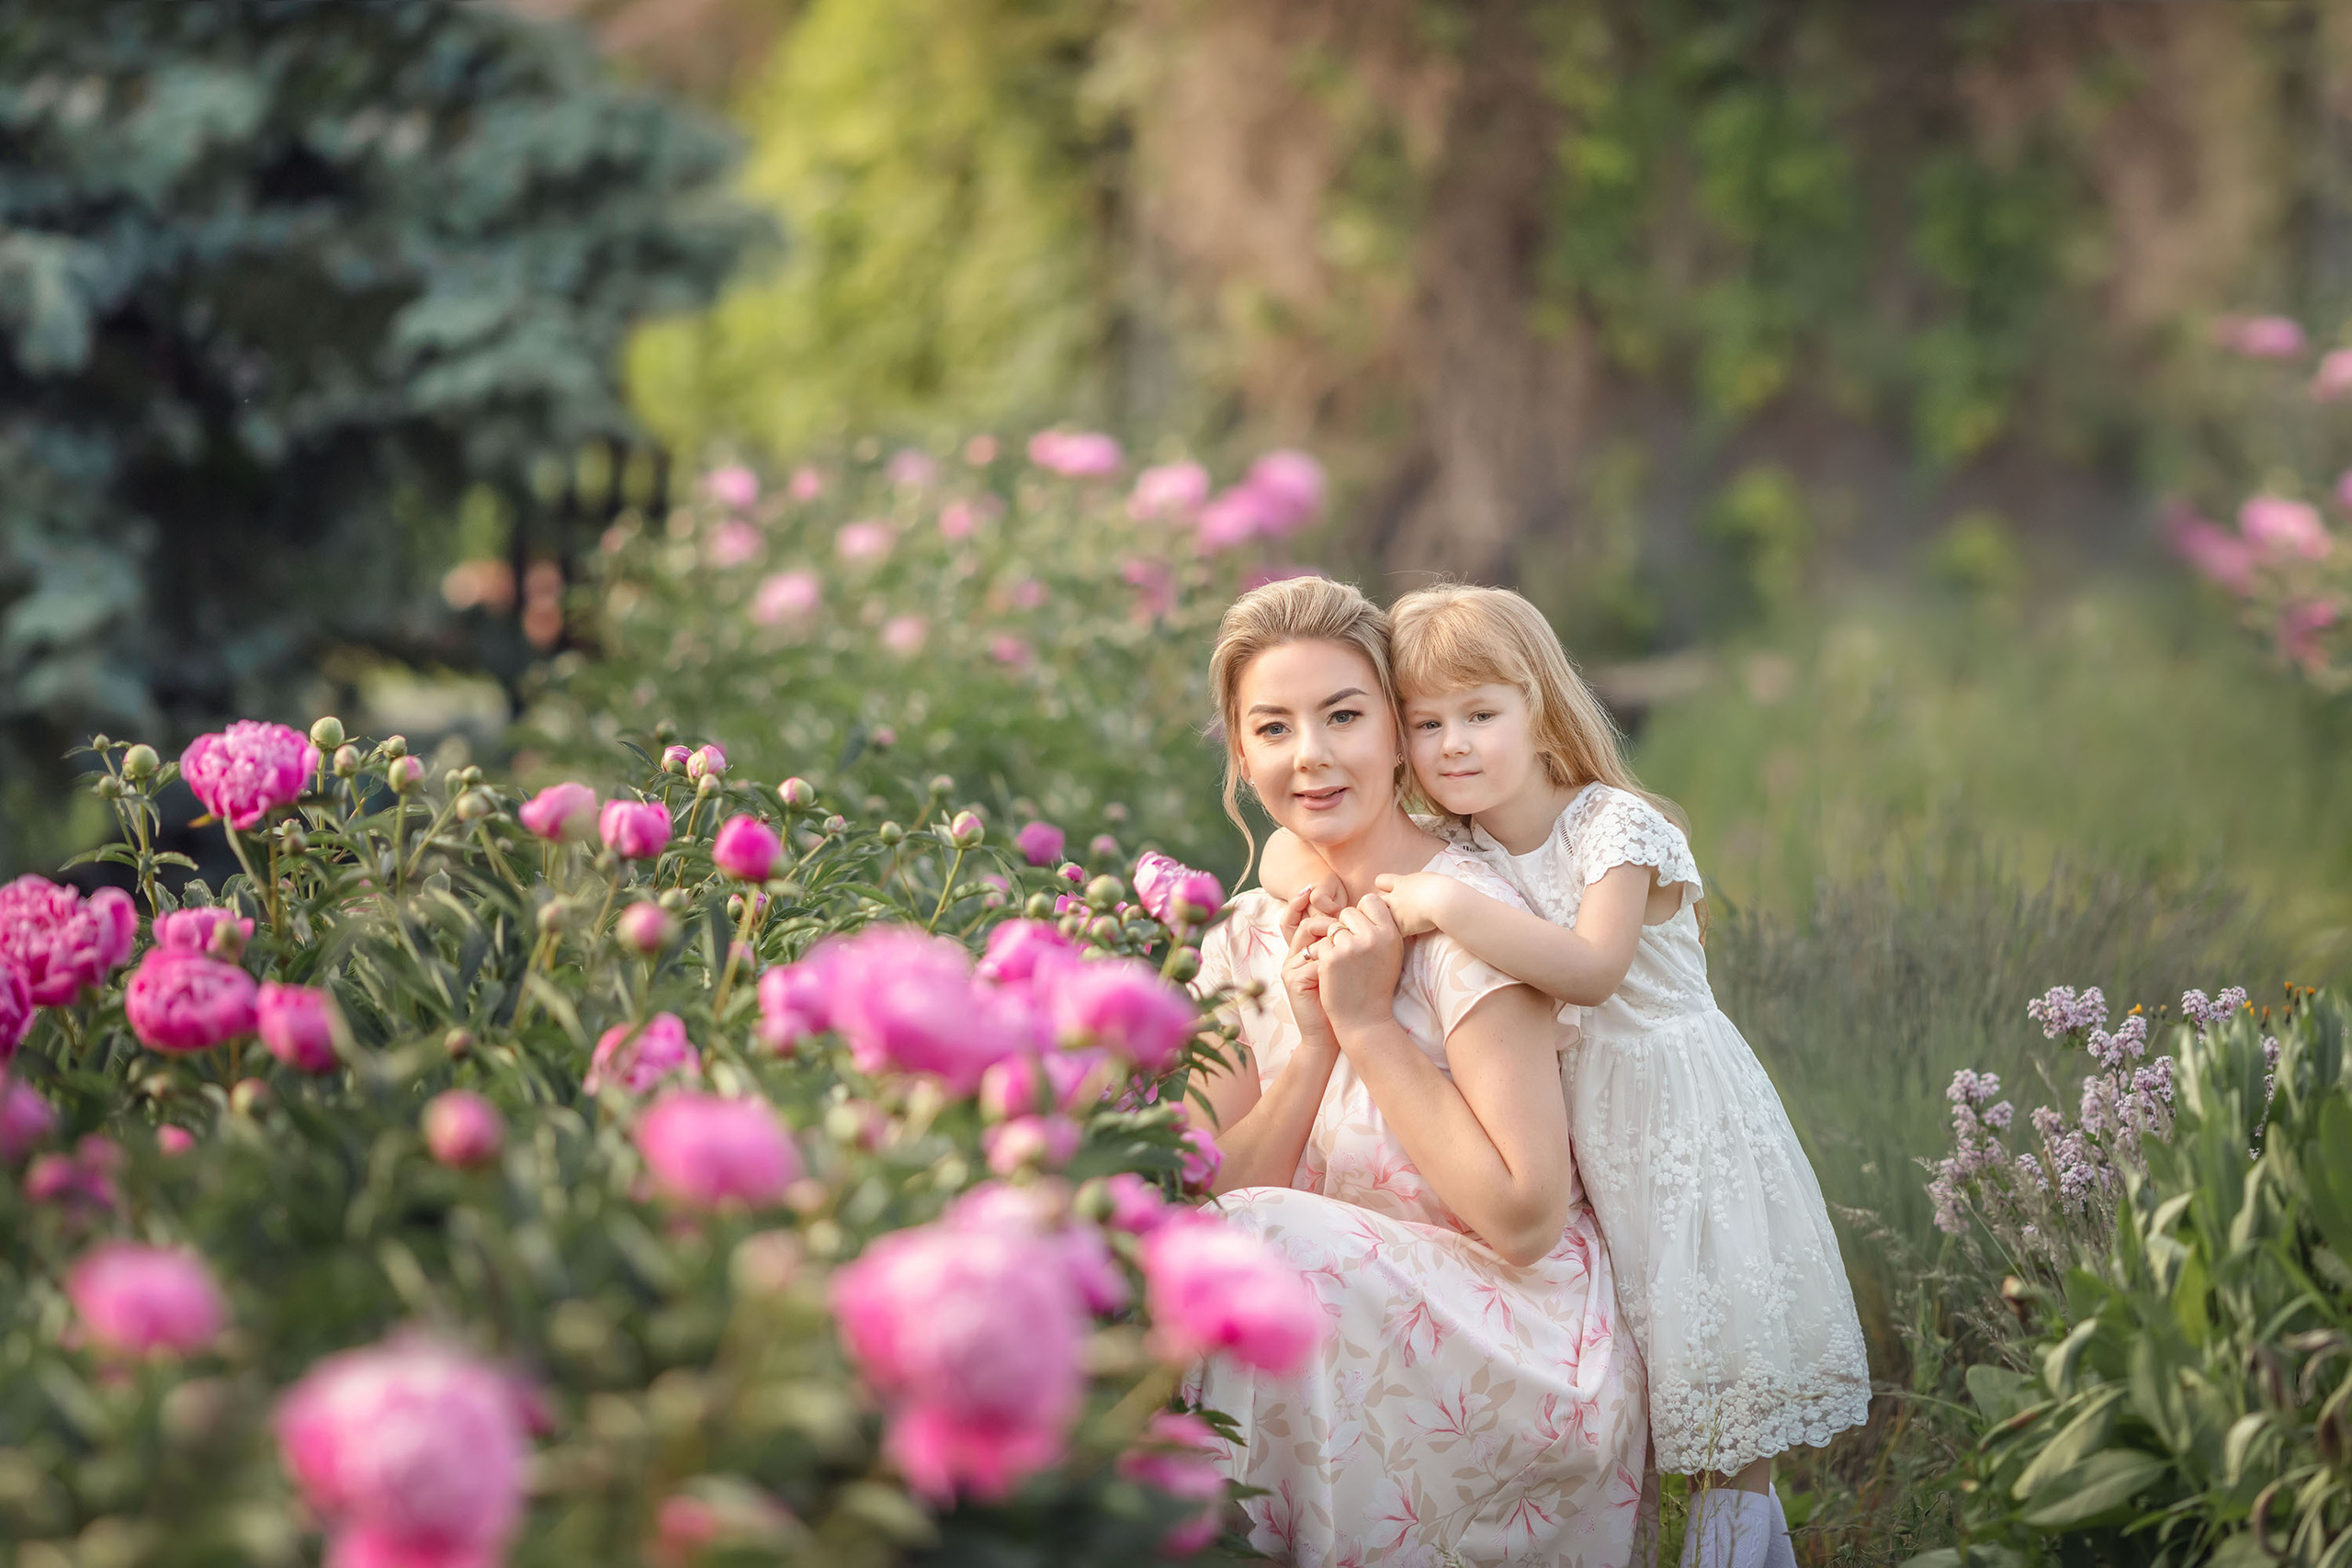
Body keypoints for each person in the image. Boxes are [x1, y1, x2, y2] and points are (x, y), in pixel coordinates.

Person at [1260, 583, 1870, 1568]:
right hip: (1592, 1132)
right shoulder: (1462, 839)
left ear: (1539, 713)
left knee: (1720, 1407)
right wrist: (1330, 893)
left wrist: (1446, 907)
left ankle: (1740, 1550)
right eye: (1426, 725)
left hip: (1676, 1124)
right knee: (1653, 1390)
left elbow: (1592, 969)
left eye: (1480, 715)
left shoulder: (1610, 828)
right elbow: (1293, 845)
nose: (1453, 745)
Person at [1188, 574, 1647, 1567]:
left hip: (1507, 1348)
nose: (1309, 755)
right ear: (1240, 753)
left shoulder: (1465, 917)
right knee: (1213, 1251)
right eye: (1272, 728)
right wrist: (1314, 1044)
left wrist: (1370, 1028)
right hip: (1327, 1332)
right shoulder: (1240, 938)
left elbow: (1526, 1220)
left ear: (1398, 732)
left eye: (1343, 716)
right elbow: (1207, 1195)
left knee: (1256, 1244)